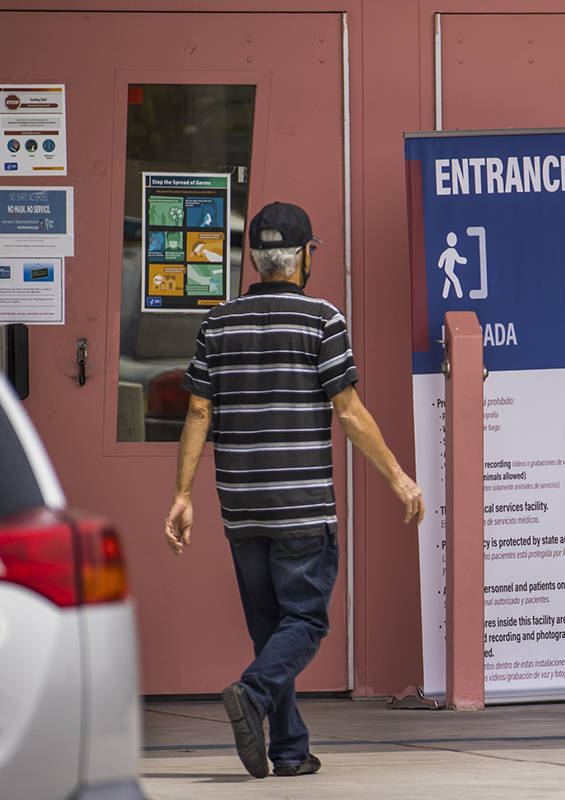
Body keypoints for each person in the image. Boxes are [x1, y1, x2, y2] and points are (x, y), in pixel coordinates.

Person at [164, 202, 425, 778]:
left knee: (269, 626)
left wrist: (183, 495)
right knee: (305, 621)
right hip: (301, 504)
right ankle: (252, 696)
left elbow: (199, 411)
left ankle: (287, 749)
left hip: (241, 504)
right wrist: (399, 476)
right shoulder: (321, 320)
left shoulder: (218, 322)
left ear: (253, 257)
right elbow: (349, 410)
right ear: (307, 255)